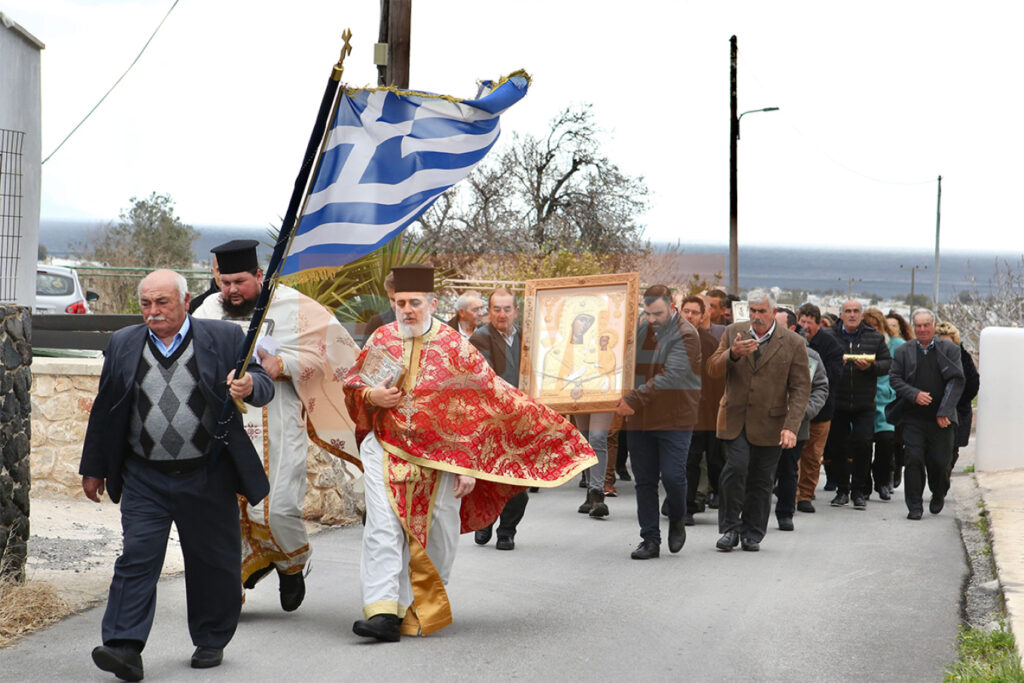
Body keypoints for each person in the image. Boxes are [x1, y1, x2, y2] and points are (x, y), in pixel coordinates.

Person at [343, 265, 595, 642]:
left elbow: (485, 404)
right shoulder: (381, 339)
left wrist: (469, 466)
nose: (407, 310)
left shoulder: (455, 347)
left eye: (414, 303)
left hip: (440, 457)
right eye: (400, 303)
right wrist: (370, 396)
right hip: (386, 445)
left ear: (432, 302)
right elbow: (353, 384)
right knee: (382, 527)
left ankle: (417, 604)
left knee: (439, 531)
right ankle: (382, 611)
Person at [80, 270, 274, 680]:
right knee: (137, 557)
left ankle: (210, 637)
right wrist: (94, 468)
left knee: (212, 561)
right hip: (143, 475)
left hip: (208, 471)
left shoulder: (222, 338)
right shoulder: (123, 342)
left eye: (162, 303)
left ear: (186, 301)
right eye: (146, 304)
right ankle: (123, 646)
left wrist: (248, 386)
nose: (153, 312)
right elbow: (106, 407)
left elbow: (263, 382)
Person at [193, 240, 359, 610]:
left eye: (240, 282)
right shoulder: (206, 309)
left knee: (277, 508)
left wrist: (282, 365)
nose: (232, 291)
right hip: (222, 423)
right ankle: (229, 590)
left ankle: (291, 563)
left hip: (279, 422)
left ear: (259, 275)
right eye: (225, 283)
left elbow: (332, 353)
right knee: (226, 512)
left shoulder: (295, 306)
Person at [708, 289, 810, 552]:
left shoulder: (793, 342)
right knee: (736, 469)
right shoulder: (733, 333)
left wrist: (791, 426)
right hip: (734, 418)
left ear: (774, 312)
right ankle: (730, 528)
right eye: (752, 311)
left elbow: (800, 389)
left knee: (762, 479)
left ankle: (753, 532)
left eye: (761, 311)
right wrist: (733, 353)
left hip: (771, 423)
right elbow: (711, 369)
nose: (756, 316)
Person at [616, 285, 701, 559]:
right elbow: (626, 364)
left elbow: (671, 377)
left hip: (675, 419)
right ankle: (650, 540)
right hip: (641, 419)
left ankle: (678, 517)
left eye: (658, 313)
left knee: (674, 478)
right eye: (648, 313)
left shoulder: (686, 335)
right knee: (645, 481)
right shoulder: (643, 329)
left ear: (672, 306)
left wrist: (633, 400)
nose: (652, 319)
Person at [889, 309, 964, 519]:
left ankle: (939, 492)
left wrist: (945, 411)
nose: (922, 329)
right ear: (913, 327)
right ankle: (914, 506)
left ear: (933, 325)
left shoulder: (949, 349)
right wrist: (914, 394)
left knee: (940, 463)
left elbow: (957, 380)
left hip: (942, 419)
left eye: (926, 325)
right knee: (913, 459)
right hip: (914, 418)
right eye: (918, 325)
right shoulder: (903, 351)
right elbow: (895, 379)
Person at [469, 288, 528, 550]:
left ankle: (507, 530)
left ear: (516, 311)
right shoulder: (480, 339)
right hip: (491, 420)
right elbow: (485, 380)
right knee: (489, 477)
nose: (502, 314)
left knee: (518, 481)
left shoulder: (528, 339)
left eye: (507, 309)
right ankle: (485, 520)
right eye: (496, 309)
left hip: (523, 420)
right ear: (488, 311)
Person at [825, 299, 891, 510]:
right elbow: (821, 364)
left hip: (864, 403)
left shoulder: (875, 337)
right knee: (838, 447)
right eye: (848, 311)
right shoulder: (830, 337)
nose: (852, 315)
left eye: (856, 311)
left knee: (863, 445)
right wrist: (837, 365)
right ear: (841, 315)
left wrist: (870, 367)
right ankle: (842, 490)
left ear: (862, 315)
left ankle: (859, 490)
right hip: (839, 402)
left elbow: (886, 364)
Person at [772, 308, 829, 531]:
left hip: (794, 423)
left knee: (788, 468)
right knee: (760, 468)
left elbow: (821, 388)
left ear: (792, 328)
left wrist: (804, 412)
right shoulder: (759, 350)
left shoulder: (810, 356)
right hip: (764, 421)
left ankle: (785, 513)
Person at [679, 295, 725, 519]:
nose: (690, 316)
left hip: (708, 411)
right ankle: (685, 506)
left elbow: (718, 378)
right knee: (688, 460)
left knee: (715, 460)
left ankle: (723, 502)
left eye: (695, 312)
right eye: (686, 311)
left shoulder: (710, 342)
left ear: (703, 315)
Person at [795, 303, 843, 512]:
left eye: (809, 322)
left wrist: (813, 370)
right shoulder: (792, 341)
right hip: (794, 409)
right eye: (802, 322)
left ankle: (806, 493)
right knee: (793, 454)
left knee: (813, 455)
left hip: (820, 409)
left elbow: (834, 375)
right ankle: (792, 492)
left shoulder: (831, 345)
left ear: (817, 324)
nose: (805, 326)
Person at [863, 308, 904, 499]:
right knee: (862, 444)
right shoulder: (860, 342)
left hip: (887, 399)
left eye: (875, 326)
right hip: (864, 398)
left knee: (886, 441)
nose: (872, 330)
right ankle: (864, 484)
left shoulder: (896, 345)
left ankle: (882, 480)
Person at [935, 321, 979, 471]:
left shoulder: (964, 358)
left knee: (952, 449)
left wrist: (955, 400)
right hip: (935, 408)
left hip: (958, 409)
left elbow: (972, 383)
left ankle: (944, 479)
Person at [363, 272, 397, 338]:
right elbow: (365, 348)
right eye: (392, 300)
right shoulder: (376, 322)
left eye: (401, 301)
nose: (396, 305)